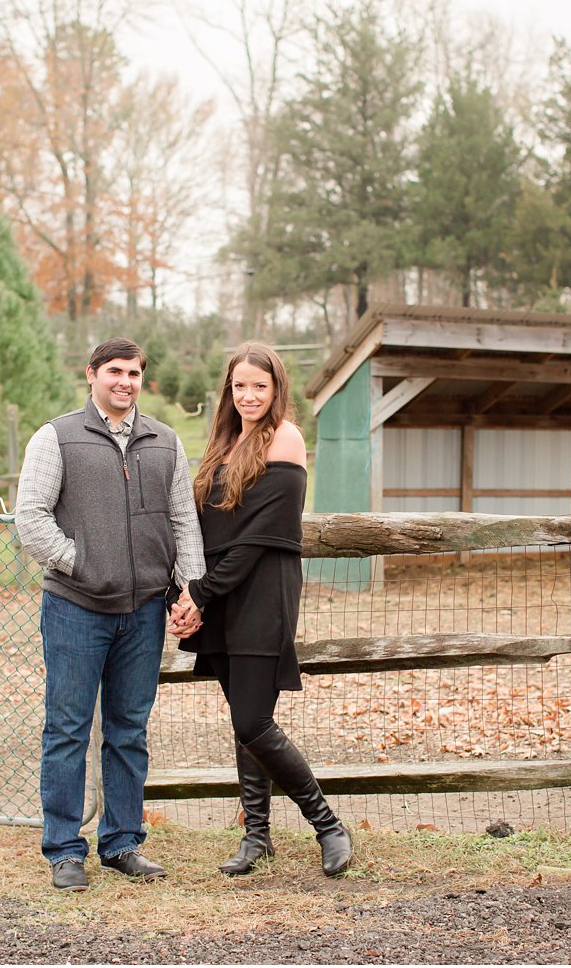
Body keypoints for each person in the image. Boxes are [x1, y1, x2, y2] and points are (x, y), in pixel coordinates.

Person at [16, 337, 205, 893]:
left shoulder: (165, 442)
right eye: (115, 371)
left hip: (144, 611)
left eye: (135, 373)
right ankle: (64, 850)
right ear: (92, 374)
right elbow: (30, 518)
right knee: (68, 729)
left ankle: (122, 843)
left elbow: (182, 519)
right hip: (76, 608)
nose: (125, 381)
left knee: (128, 730)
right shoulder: (56, 438)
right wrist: (80, 562)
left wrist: (188, 589)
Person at [168, 342, 354, 878]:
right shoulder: (225, 442)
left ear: (276, 390)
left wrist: (200, 594)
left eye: (259, 386)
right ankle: (256, 836)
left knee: (253, 718)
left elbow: (257, 538)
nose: (248, 395)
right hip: (220, 592)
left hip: (261, 591)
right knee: (244, 721)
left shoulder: (285, 439)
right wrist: (188, 595)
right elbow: (205, 530)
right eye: (239, 386)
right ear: (229, 390)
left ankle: (327, 826)